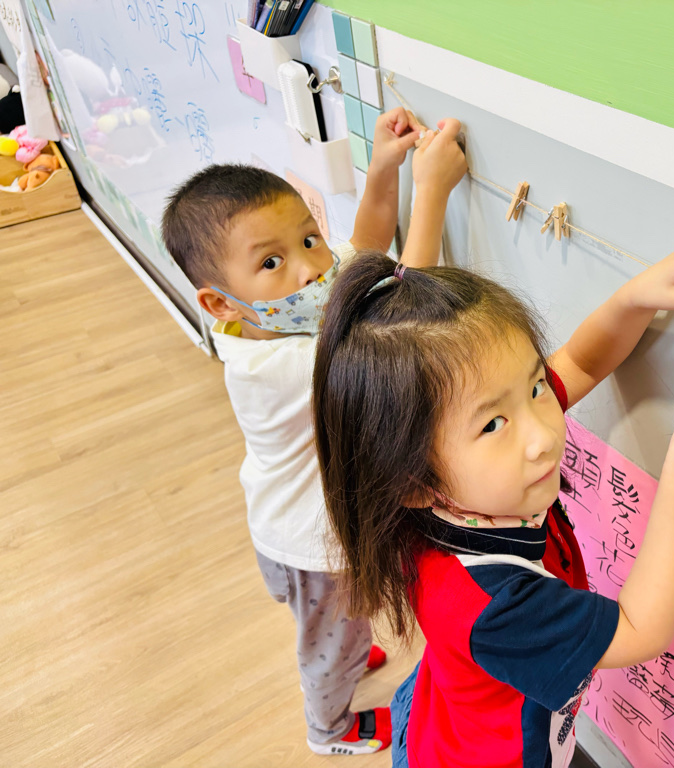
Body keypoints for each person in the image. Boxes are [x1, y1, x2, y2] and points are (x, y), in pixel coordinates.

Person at [311, 247, 674, 767]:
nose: (544, 434)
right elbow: (640, 629)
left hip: (446, 714)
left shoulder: (458, 476)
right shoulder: (492, 603)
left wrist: (637, 298)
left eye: (536, 386)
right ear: (413, 483)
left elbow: (580, 361)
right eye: (493, 424)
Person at [161, 109, 467, 755]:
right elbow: (404, 324)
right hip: (311, 544)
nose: (308, 269)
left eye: (308, 238)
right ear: (219, 302)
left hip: (292, 521)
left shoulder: (286, 308)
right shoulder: (276, 364)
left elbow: (366, 245)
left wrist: (383, 167)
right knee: (332, 645)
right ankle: (328, 728)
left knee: (339, 628)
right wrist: (432, 193)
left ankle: (343, 644)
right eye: (272, 261)